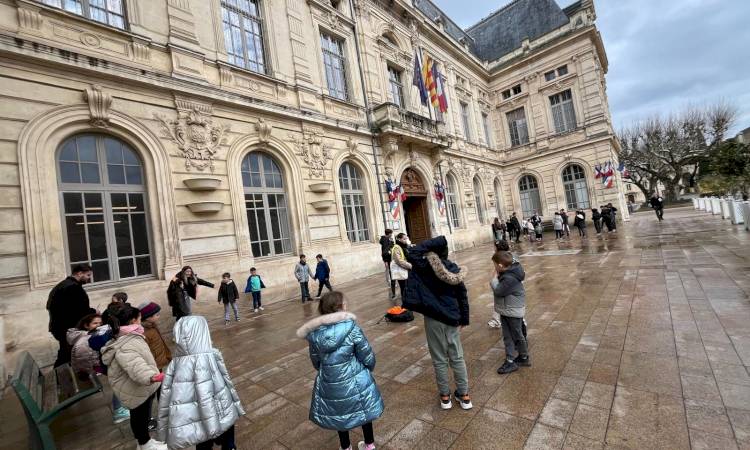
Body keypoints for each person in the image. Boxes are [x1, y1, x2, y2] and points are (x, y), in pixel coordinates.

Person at [296, 291, 383, 450]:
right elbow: (365, 352)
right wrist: (369, 366)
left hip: (330, 381)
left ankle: (345, 447)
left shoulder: (315, 335)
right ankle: (369, 445)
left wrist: (327, 371)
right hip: (356, 376)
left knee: (339, 414)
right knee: (364, 411)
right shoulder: (352, 328)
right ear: (341, 307)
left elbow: (316, 361)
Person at [402, 236, 472, 410]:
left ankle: (445, 397)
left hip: (433, 318)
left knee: (439, 358)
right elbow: (462, 295)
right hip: (452, 317)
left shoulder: (425, 267)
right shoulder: (454, 269)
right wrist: (464, 318)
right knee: (457, 357)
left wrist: (435, 241)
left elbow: (412, 252)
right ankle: (464, 395)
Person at [157, 316, 245, 450]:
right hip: (216, 413)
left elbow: (166, 395)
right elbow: (205, 396)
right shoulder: (203, 359)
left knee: (202, 441)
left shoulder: (176, 362)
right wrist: (213, 428)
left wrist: (164, 428)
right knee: (222, 439)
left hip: (194, 416)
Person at [101, 304, 166, 450]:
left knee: (142, 415)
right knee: (140, 417)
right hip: (136, 388)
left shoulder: (127, 335)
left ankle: (145, 440)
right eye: (139, 318)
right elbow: (134, 364)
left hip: (139, 387)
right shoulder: (127, 341)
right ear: (132, 321)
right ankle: (144, 444)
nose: (140, 321)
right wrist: (152, 376)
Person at [47, 264, 95, 368]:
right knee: (66, 356)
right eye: (88, 275)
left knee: (66, 354)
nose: (89, 278)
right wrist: (94, 312)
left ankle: (61, 377)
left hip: (60, 327)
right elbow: (80, 310)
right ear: (79, 273)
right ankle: (60, 379)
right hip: (66, 328)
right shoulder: (73, 287)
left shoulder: (63, 285)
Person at [491, 251, 530, 374]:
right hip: (508, 310)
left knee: (514, 335)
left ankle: (514, 361)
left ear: (500, 265)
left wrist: (493, 279)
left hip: (511, 311)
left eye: (495, 265)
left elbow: (498, 291)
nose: (494, 267)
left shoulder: (509, 278)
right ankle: (520, 358)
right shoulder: (509, 273)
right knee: (512, 335)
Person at [138, 302, 171, 373]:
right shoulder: (144, 332)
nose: (159, 316)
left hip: (159, 361)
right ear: (147, 318)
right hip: (153, 365)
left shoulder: (152, 325)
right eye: (157, 315)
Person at [67, 313, 103, 378]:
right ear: (86, 326)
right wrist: (100, 371)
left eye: (100, 323)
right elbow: (86, 364)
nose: (99, 325)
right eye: (95, 323)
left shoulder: (84, 335)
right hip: (89, 374)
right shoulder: (85, 342)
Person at [391, 233, 412, 301]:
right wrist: (410, 266)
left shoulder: (404, 246)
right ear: (399, 239)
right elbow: (399, 261)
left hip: (405, 269)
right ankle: (406, 304)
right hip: (401, 270)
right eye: (404, 239)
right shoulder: (397, 247)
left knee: (407, 287)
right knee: (404, 287)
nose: (406, 240)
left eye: (406, 238)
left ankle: (408, 302)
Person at [379, 229, 397, 300]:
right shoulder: (386, 240)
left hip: (388, 259)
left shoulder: (386, 239)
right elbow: (385, 251)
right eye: (391, 233)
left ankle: (391, 284)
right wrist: (385, 261)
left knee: (389, 272)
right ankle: (391, 286)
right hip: (389, 259)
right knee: (390, 272)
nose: (391, 234)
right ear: (389, 234)